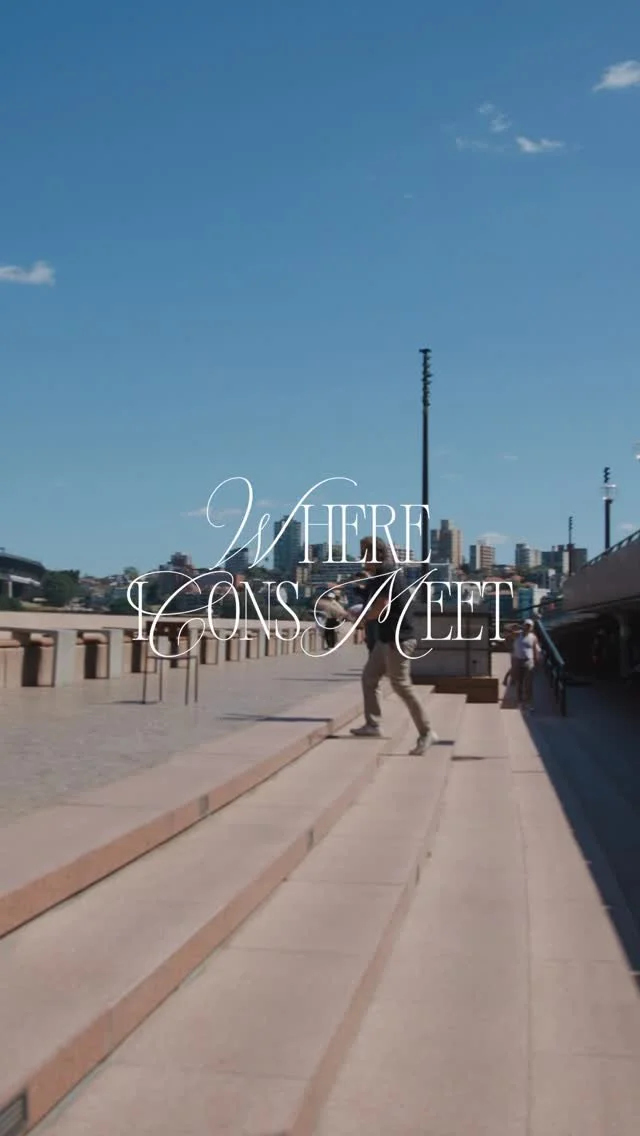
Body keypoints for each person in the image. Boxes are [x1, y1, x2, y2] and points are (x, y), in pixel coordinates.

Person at [348, 537, 438, 755]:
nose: (362, 559)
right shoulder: (380, 574)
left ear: (375, 554)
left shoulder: (387, 572)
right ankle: (373, 725)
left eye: (364, 553)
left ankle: (427, 732)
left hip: (398, 639)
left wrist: (364, 619)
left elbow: (382, 604)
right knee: (370, 676)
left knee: (401, 685)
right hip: (386, 638)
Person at [511, 618, 540, 710]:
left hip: (529, 661)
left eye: (529, 626)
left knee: (528, 684)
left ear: (531, 628)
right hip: (518, 660)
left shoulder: (533, 637)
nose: (527, 627)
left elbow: (536, 649)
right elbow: (507, 636)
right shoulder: (517, 634)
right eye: (526, 625)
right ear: (523, 625)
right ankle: (519, 702)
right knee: (519, 682)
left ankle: (528, 703)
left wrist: (537, 660)